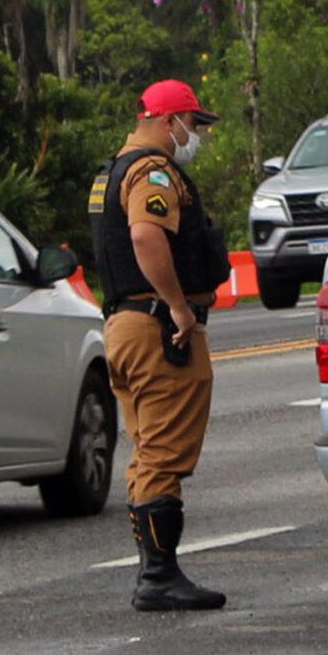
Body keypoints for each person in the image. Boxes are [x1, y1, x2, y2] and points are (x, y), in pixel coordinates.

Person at [89, 80, 233, 611]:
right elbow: (146, 236)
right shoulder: (153, 171)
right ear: (168, 119)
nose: (193, 135)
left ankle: (157, 571)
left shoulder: (111, 172)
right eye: (192, 124)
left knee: (149, 450)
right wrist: (176, 305)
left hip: (126, 325)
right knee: (163, 453)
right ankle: (158, 576)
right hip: (157, 328)